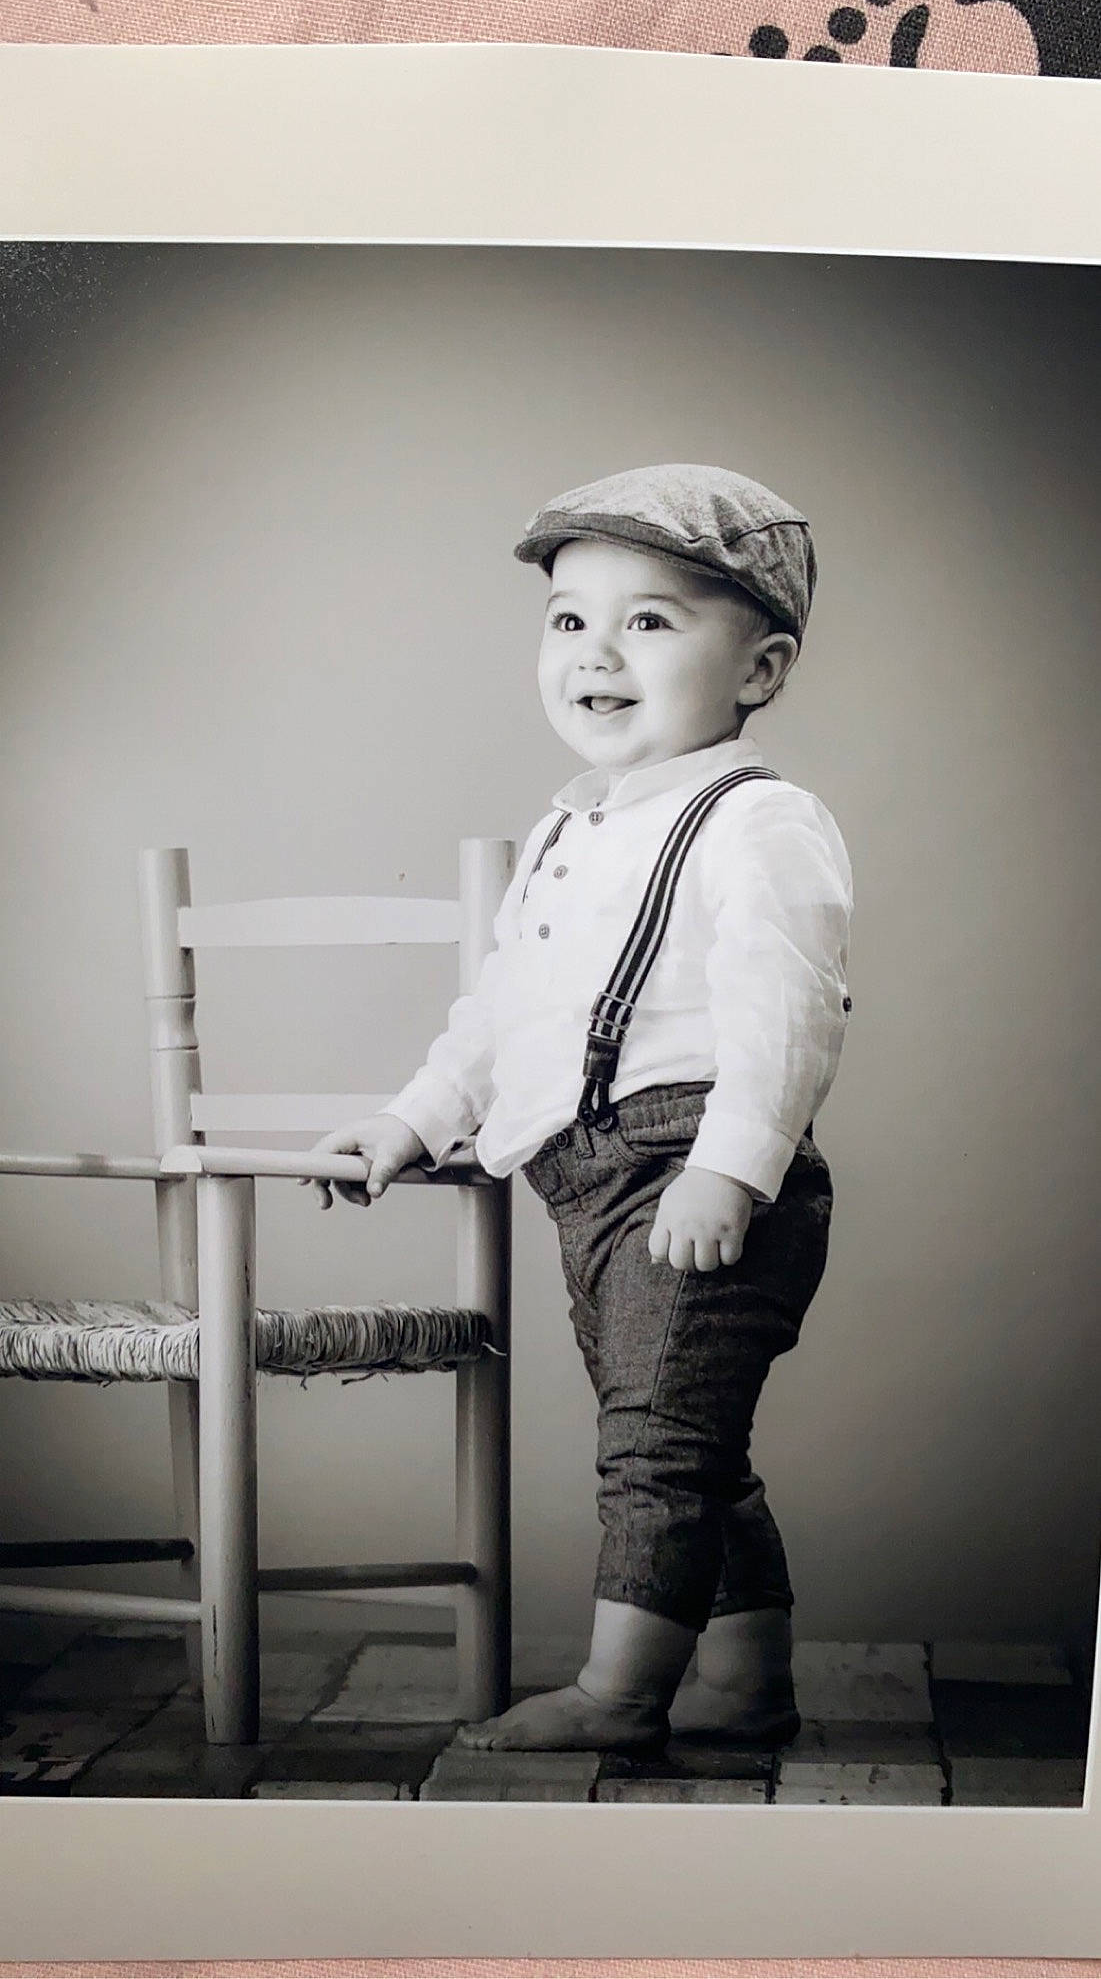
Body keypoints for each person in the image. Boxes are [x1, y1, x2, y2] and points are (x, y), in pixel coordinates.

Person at [308, 464, 853, 1754]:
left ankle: (619, 1691)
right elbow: (505, 1013)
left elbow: (790, 1008)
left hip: (691, 1164)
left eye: (649, 621)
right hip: (586, 1177)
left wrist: (734, 1166)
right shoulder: (570, 833)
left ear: (760, 670)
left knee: (655, 1446)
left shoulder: (757, 819)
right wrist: (414, 1118)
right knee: (689, 1443)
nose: (595, 652)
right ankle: (746, 1679)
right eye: (568, 620)